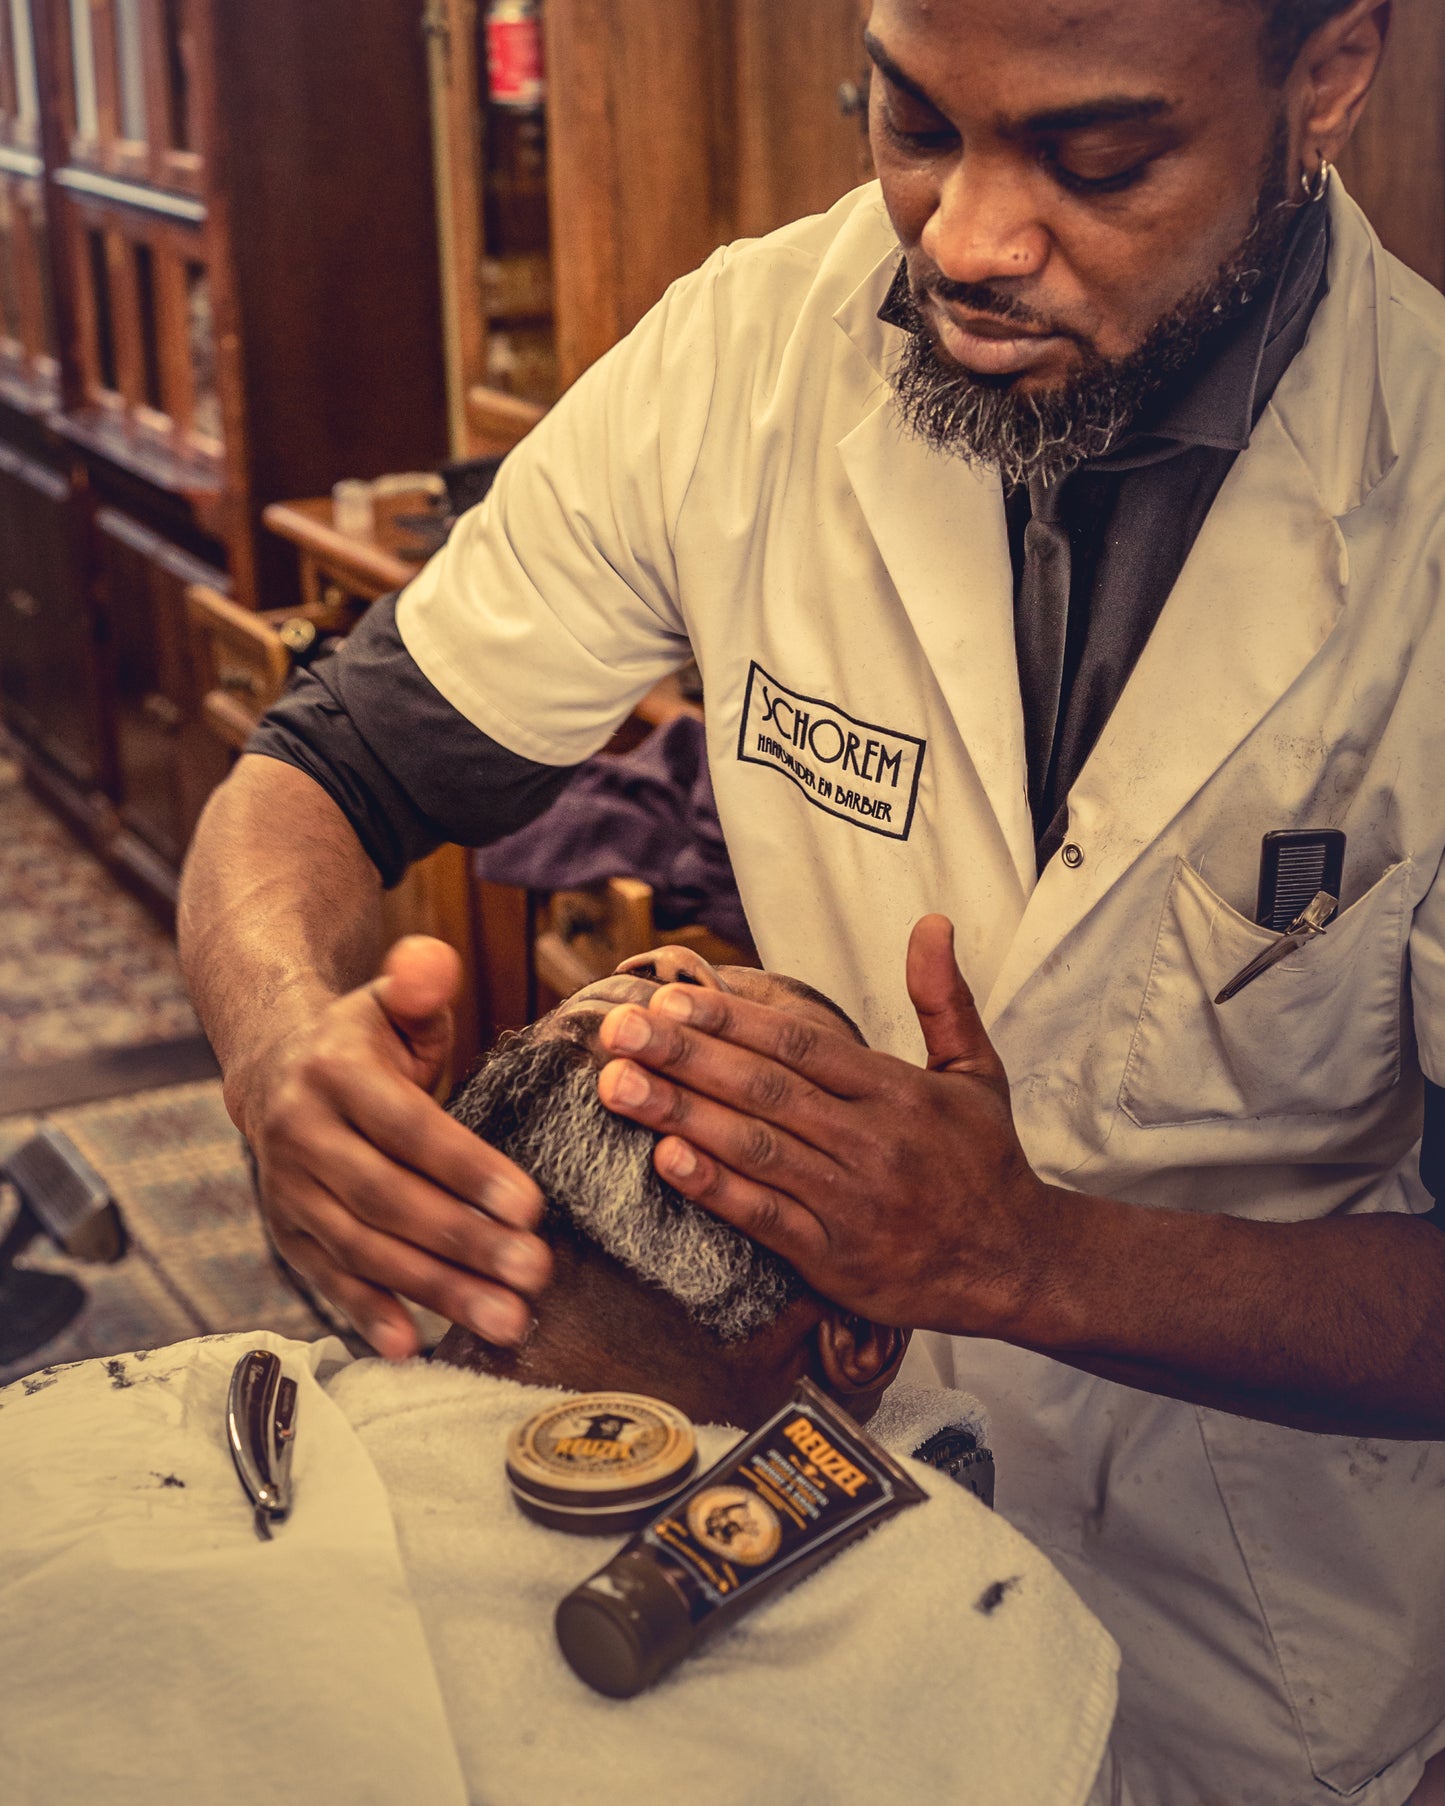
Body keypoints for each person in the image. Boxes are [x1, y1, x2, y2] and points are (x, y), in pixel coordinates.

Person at [175, 1, 1445, 1799]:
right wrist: (273, 1029)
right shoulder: (743, 358)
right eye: (912, 118)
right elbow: (317, 773)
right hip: (809, 1555)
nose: (967, 241)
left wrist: (1033, 1258)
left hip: (1252, 1662)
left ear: (1326, 76)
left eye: (1098, 162)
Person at [0, 959, 1119, 1806]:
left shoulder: (959, 1619)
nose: (674, 973)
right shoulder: (153, 1417)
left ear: (859, 1338)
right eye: (647, 974)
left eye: (775, 1048)